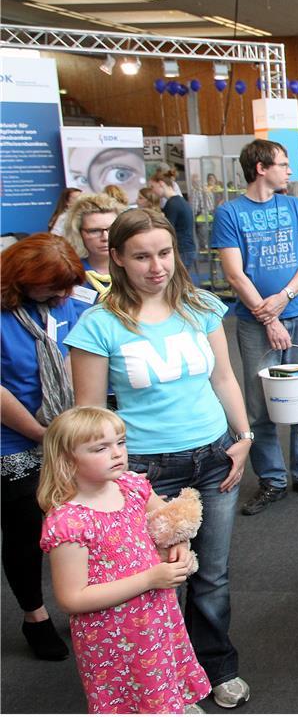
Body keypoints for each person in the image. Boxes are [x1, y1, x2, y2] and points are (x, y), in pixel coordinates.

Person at [67, 208, 254, 709]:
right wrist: (121, 483)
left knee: (211, 575)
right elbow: (89, 418)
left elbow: (224, 379)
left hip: (215, 456)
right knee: (159, 585)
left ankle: (215, 667)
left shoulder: (201, 306)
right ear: (118, 259)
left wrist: (244, 436)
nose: (157, 266)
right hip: (144, 470)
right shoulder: (99, 325)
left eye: (165, 253)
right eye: (142, 256)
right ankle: (169, 684)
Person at [37, 406, 211, 714]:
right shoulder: (69, 523)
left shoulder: (131, 486)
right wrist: (149, 579)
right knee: (130, 698)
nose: (117, 453)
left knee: (160, 680)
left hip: (156, 615)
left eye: (120, 442)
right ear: (67, 459)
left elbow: (165, 523)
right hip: (112, 634)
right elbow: (71, 598)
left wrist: (179, 543)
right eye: (101, 448)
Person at [210, 139, 298, 517]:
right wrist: (270, 317)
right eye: (283, 164)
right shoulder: (230, 213)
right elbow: (233, 273)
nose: (289, 170)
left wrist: (285, 296)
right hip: (255, 321)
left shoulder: (294, 206)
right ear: (261, 167)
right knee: (259, 404)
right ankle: (272, 479)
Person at [0, 233, 84, 662]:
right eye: (54, 286)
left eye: (68, 285)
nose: (64, 294)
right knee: (27, 530)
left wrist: (71, 431)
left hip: (70, 434)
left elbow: (83, 357)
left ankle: (82, 600)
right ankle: (34, 616)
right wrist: (42, 434)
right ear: (22, 280)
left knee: (80, 523)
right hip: (14, 439)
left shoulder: (71, 302)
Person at [62, 192, 127, 317]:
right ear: (78, 233)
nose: (105, 237)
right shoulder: (68, 275)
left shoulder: (134, 269)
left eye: (111, 229)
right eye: (94, 231)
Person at [148, 166, 197, 274]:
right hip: (186, 248)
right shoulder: (178, 201)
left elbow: (167, 229)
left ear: (161, 183)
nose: (152, 191)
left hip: (182, 249)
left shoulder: (172, 204)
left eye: (152, 187)